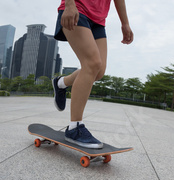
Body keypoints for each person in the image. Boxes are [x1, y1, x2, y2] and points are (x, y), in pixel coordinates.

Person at [53, 0, 134, 149]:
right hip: (78, 8)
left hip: (98, 20)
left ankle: (61, 83)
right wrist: (69, 5)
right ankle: (74, 127)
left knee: (99, 70)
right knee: (92, 63)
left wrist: (125, 23)